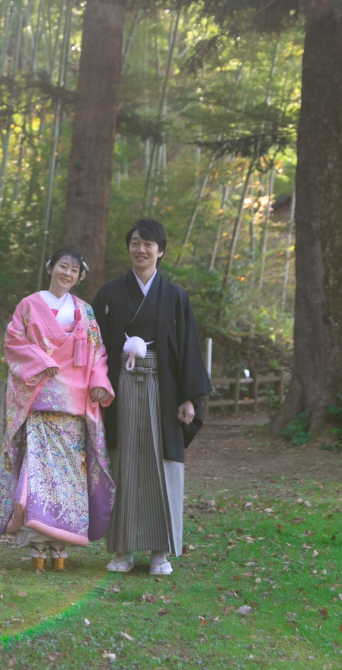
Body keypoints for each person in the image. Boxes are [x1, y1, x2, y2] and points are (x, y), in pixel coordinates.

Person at [93, 218, 211, 576]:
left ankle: (160, 552)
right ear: (128, 248)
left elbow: (188, 348)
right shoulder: (110, 294)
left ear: (160, 250)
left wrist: (190, 397)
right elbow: (93, 347)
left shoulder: (175, 297)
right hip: (121, 389)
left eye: (148, 244)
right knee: (123, 464)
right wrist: (96, 384)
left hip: (163, 390)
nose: (140, 249)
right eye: (135, 243)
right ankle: (123, 550)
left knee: (162, 467)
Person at [0, 248, 115, 570]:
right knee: (39, 476)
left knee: (71, 477)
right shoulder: (29, 305)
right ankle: (36, 545)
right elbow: (13, 341)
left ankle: (61, 546)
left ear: (80, 276)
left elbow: (98, 353)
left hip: (73, 407)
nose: (67, 274)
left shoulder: (85, 312)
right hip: (41, 400)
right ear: (50, 268)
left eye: (74, 270)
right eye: (62, 267)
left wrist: (100, 380)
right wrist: (43, 361)